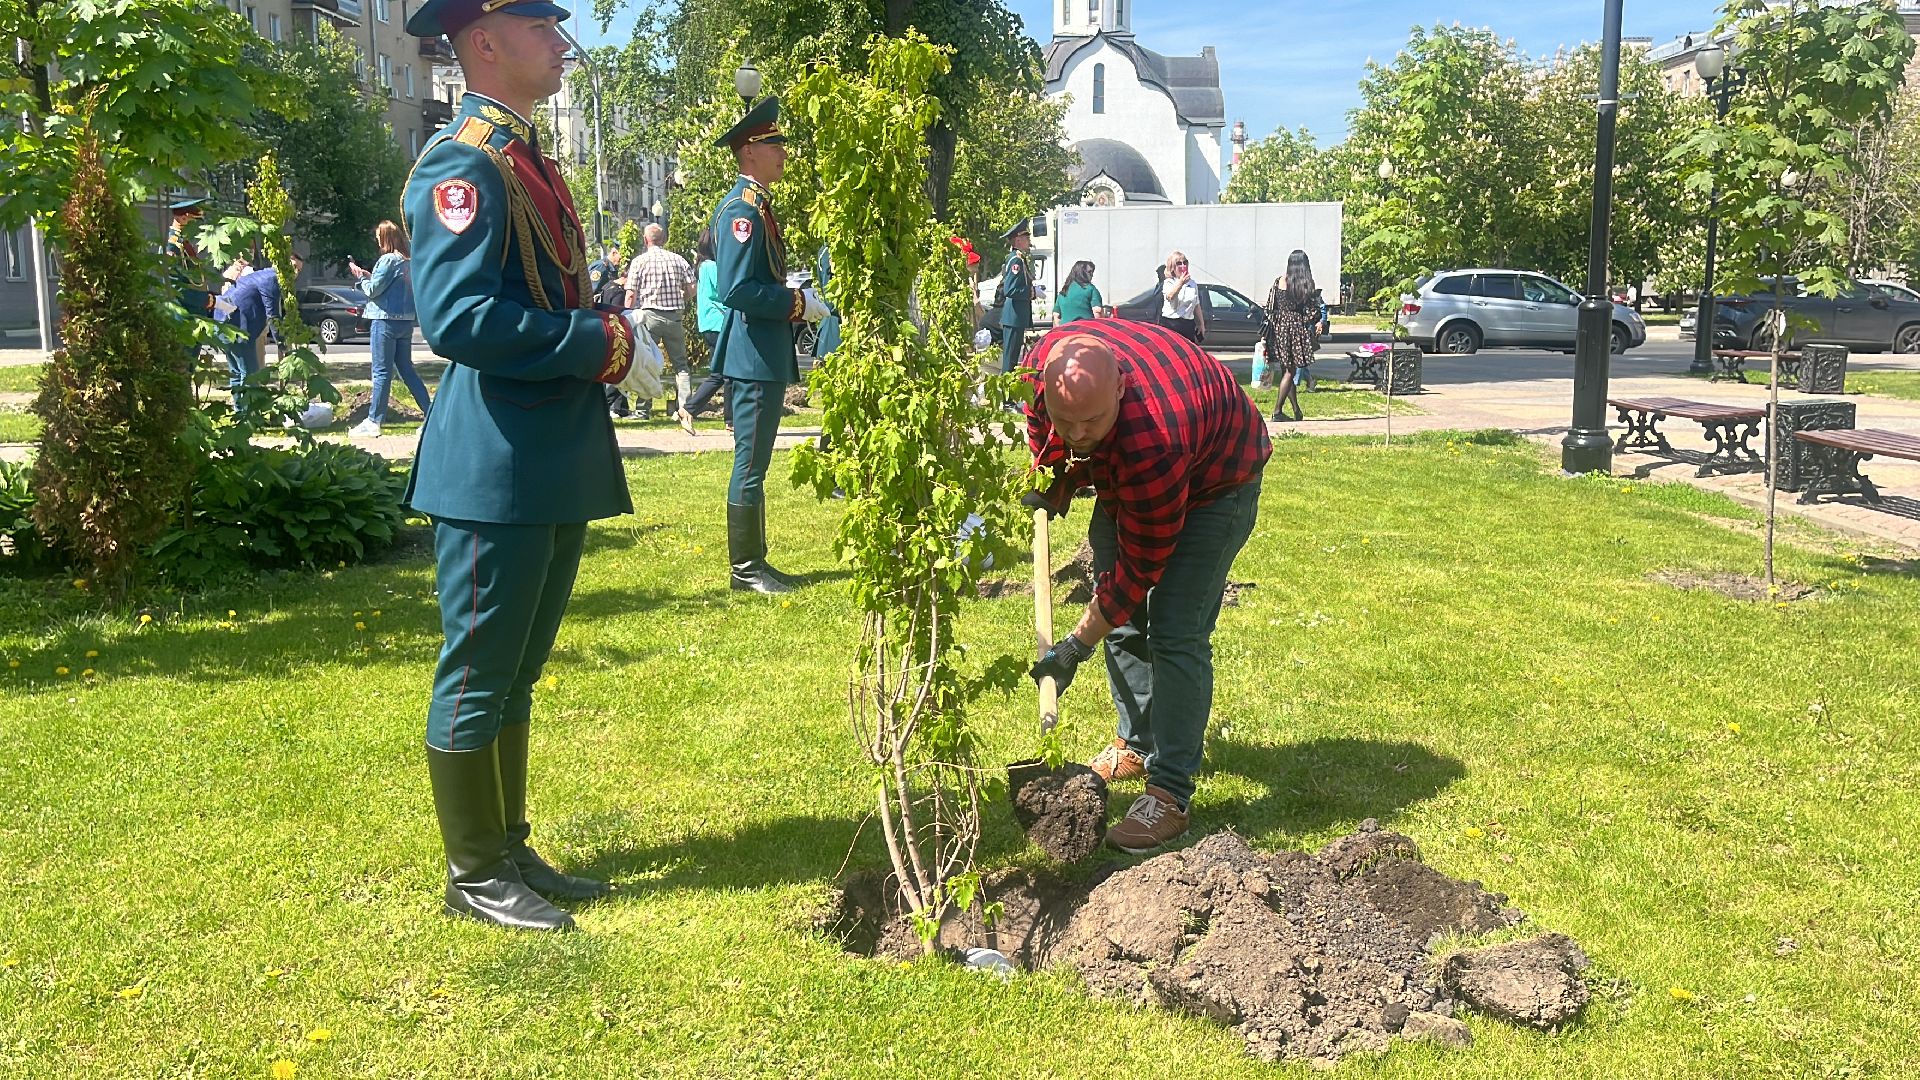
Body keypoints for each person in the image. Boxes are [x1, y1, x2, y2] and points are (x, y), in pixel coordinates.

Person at [401, 0, 645, 933]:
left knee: (515, 672)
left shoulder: (524, 155)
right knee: (478, 671)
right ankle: (473, 873)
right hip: (495, 462)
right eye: (539, 26)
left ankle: (506, 846)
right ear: (484, 42)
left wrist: (601, 330)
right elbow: (458, 319)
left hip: (545, 451)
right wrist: (594, 342)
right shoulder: (464, 162)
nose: (560, 42)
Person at [1022, 322, 1270, 854]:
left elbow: (1138, 573)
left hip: (1217, 480)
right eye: (1067, 421)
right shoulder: (1042, 374)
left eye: (1092, 421)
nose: (1078, 433)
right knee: (1122, 621)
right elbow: (1046, 434)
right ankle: (1136, 744)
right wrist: (1052, 480)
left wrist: (1074, 646)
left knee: (1176, 629)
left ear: (1120, 388)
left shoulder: (1154, 440)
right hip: (1138, 461)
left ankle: (1170, 793)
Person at [707, 94, 829, 594]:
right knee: (750, 464)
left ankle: (754, 562)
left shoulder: (756, 206)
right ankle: (745, 570)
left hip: (759, 351)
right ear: (749, 151)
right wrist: (796, 302)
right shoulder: (742, 210)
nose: (783, 152)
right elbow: (736, 289)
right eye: (773, 144)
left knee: (756, 463)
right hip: (753, 354)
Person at [349, 220, 430, 437]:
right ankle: (430, 414)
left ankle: (374, 421)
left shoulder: (387, 260)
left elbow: (373, 291)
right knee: (407, 370)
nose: (377, 241)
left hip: (384, 321)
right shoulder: (409, 261)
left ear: (386, 238)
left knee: (381, 372)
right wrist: (370, 275)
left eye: (379, 238)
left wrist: (361, 278)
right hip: (405, 322)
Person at [622, 223, 696, 421]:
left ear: (645, 239)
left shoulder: (639, 261)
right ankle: (686, 409)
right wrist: (681, 299)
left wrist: (626, 316)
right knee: (681, 365)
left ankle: (643, 409)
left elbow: (630, 294)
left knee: (646, 362)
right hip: (674, 317)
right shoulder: (678, 260)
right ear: (664, 239)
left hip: (649, 316)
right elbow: (692, 287)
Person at [219, 252, 302, 410]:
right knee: (249, 374)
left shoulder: (264, 275)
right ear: (281, 264)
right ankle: (249, 414)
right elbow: (273, 315)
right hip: (237, 327)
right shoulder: (272, 279)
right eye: (293, 267)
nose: (296, 273)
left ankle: (240, 412)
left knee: (237, 372)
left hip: (224, 323)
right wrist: (282, 343)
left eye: (299, 270)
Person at [1261, 249, 1324, 423]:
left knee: (1286, 371)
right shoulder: (1305, 283)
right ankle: (1277, 411)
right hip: (1295, 330)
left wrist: (1278, 321)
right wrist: (1305, 320)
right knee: (1291, 371)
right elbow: (1313, 311)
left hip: (1279, 329)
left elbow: (1269, 307)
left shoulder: (1278, 281)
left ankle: (1296, 410)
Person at [679, 225, 731, 433]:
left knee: (727, 373)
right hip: (718, 323)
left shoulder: (703, 265)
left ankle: (731, 420)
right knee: (721, 373)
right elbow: (725, 291)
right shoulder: (711, 266)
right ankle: (689, 409)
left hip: (711, 323)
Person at [998, 220, 1034, 373]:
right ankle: (1006, 389)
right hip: (1013, 316)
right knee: (1010, 362)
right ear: (1018, 240)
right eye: (1026, 238)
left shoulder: (1018, 258)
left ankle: (1008, 387)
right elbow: (1010, 290)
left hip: (1015, 317)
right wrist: (1031, 292)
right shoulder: (1016, 260)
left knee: (1012, 359)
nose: (1029, 241)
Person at [1159, 250, 1206, 345]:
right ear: (1173, 267)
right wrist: (1181, 283)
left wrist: (1201, 324)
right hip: (1171, 323)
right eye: (1179, 264)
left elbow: (1196, 305)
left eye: (1185, 262)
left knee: (1189, 350)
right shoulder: (1169, 282)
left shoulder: (1192, 284)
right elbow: (1170, 296)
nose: (1183, 266)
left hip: (1188, 323)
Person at [1056, 260, 1103, 324]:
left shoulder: (1064, 290)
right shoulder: (1090, 288)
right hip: (1085, 327)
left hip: (1065, 328)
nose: (1092, 275)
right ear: (1081, 272)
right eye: (1089, 272)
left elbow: (1056, 316)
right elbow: (1097, 311)